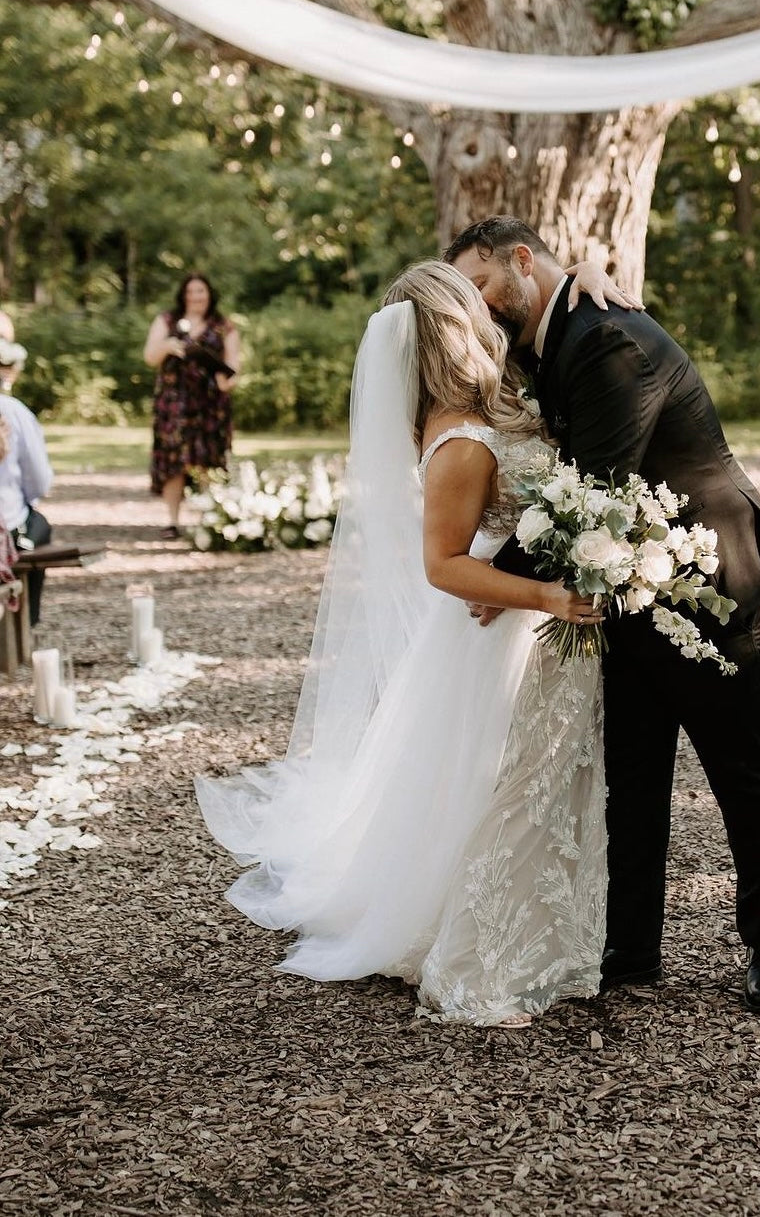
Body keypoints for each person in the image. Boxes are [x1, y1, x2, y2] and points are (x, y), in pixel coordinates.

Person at [198, 260, 619, 1027]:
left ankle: (553, 942)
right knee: (512, 796)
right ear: (451, 328)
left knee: (534, 791)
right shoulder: (458, 438)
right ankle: (483, 965)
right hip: (504, 634)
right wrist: (550, 593)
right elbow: (443, 566)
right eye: (474, 303)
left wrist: (588, 268)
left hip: (533, 632)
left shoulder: (494, 401)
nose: (491, 308)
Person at [447, 215, 760, 1015]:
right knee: (631, 771)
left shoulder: (609, 341)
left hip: (711, 578)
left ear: (523, 261)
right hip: (622, 589)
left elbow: (593, 486)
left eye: (481, 282)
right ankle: (632, 945)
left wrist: (494, 578)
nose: (477, 302)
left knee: (741, 764)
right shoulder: (548, 336)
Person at [144, 273, 241, 539]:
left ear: (209, 294)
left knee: (207, 459)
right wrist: (167, 346)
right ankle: (173, 521)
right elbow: (150, 357)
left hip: (210, 403)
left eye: (202, 291)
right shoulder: (167, 321)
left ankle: (208, 519)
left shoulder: (224, 326)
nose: (197, 297)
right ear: (183, 295)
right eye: (192, 291)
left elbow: (233, 364)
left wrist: (227, 380)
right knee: (174, 460)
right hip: (174, 402)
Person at [0, 340, 53, 625]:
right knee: (35, 526)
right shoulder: (12, 411)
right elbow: (40, 482)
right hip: (8, 525)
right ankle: (26, 620)